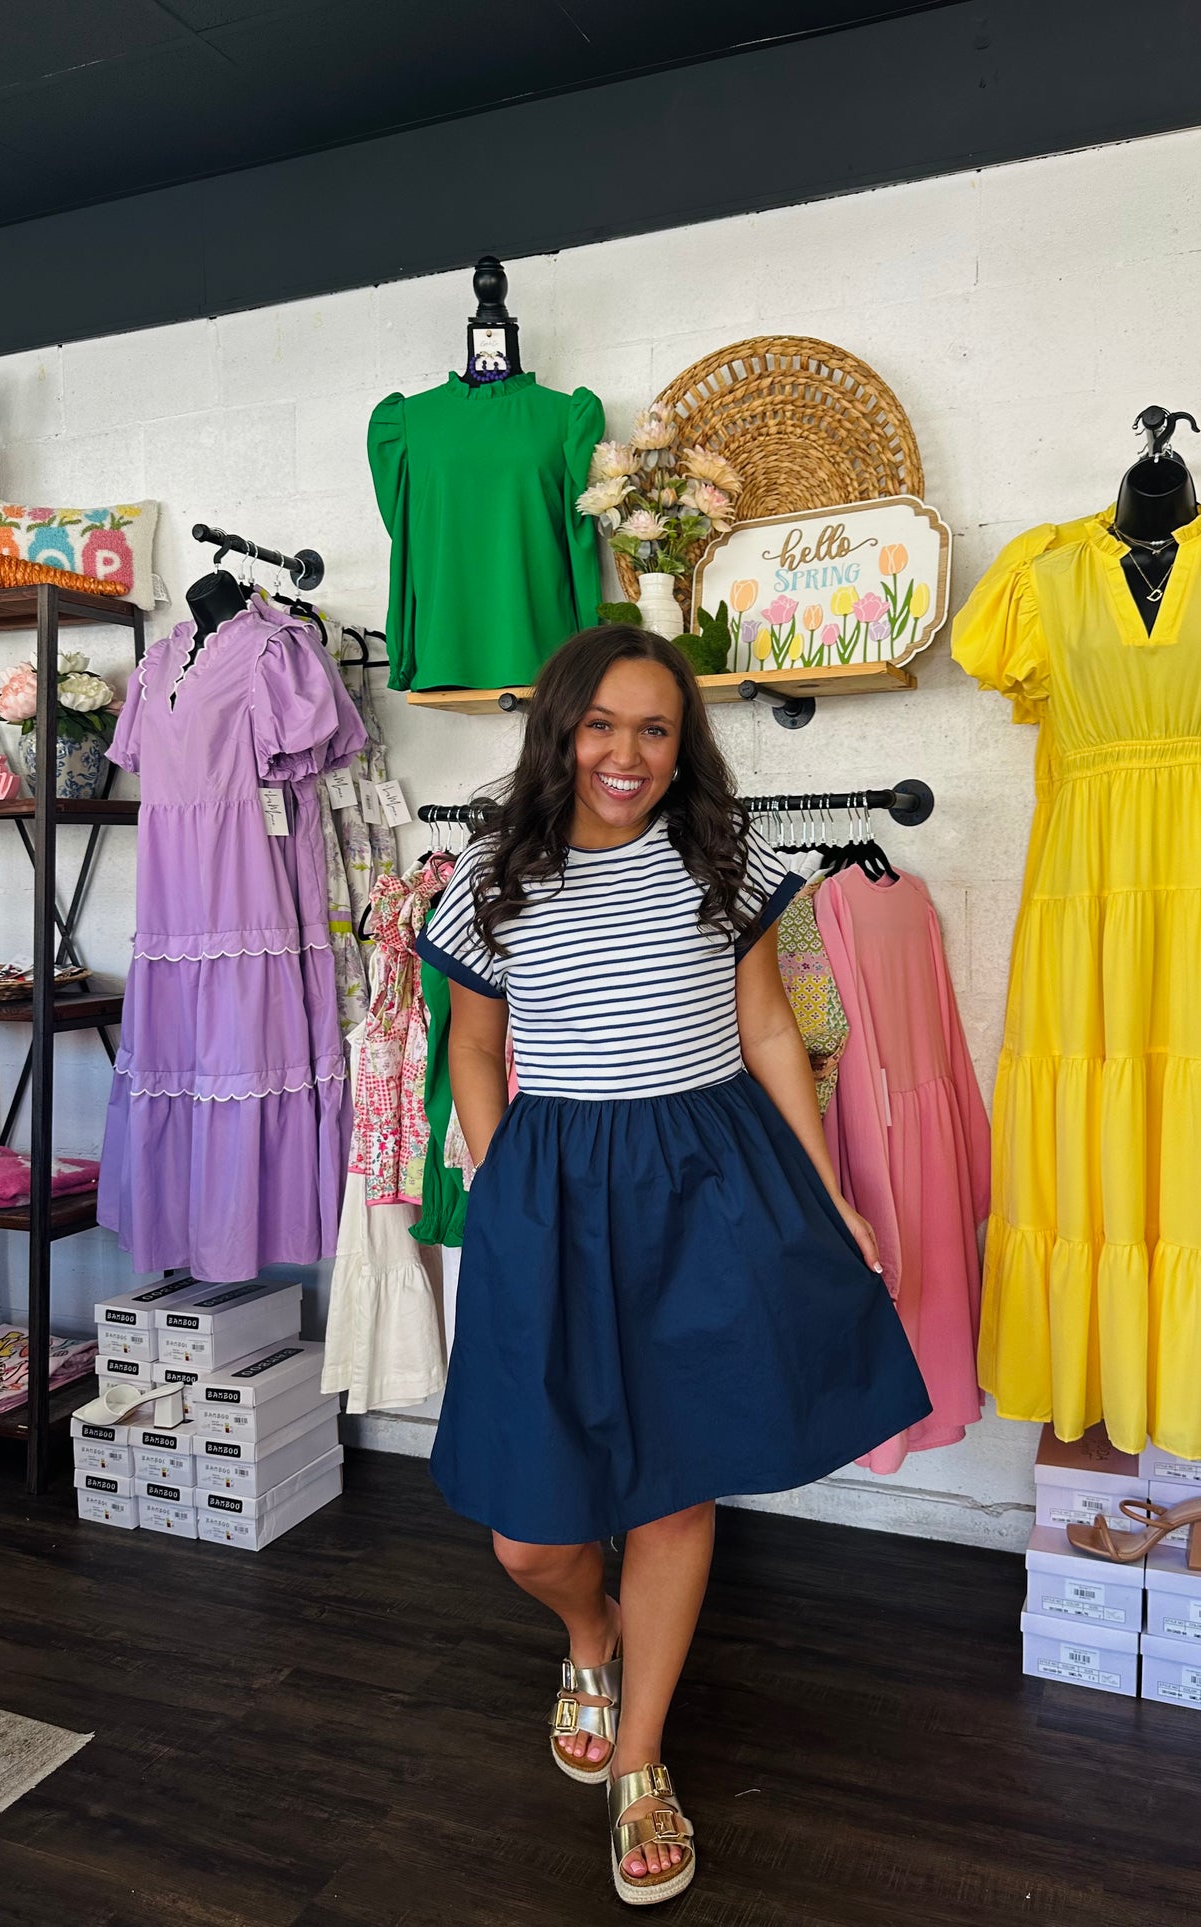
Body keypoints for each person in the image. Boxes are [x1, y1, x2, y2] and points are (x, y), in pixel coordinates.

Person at [416, 624, 932, 1905]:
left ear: (680, 742)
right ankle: (588, 1633)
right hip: (553, 1192)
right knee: (529, 1539)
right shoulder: (492, 875)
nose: (626, 754)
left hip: (706, 1185)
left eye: (654, 728)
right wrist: (508, 1185)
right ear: (558, 731)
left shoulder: (722, 857)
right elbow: (474, 1053)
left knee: (673, 1483)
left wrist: (828, 1194)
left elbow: (767, 1027)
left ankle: (640, 1754)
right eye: (600, 725)